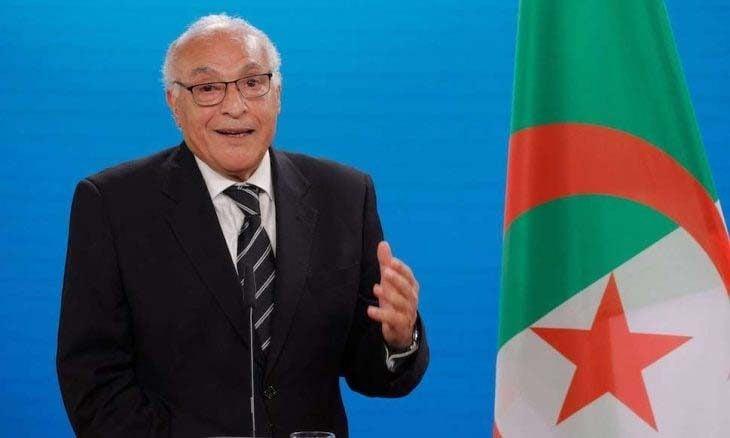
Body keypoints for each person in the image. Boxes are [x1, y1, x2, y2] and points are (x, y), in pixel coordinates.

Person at [56, 13, 428, 438]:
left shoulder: (344, 195)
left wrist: (398, 340)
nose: (235, 106)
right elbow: (93, 380)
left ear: (278, 94)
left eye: (253, 83)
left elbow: (371, 372)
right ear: (174, 104)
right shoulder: (113, 204)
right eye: (208, 88)